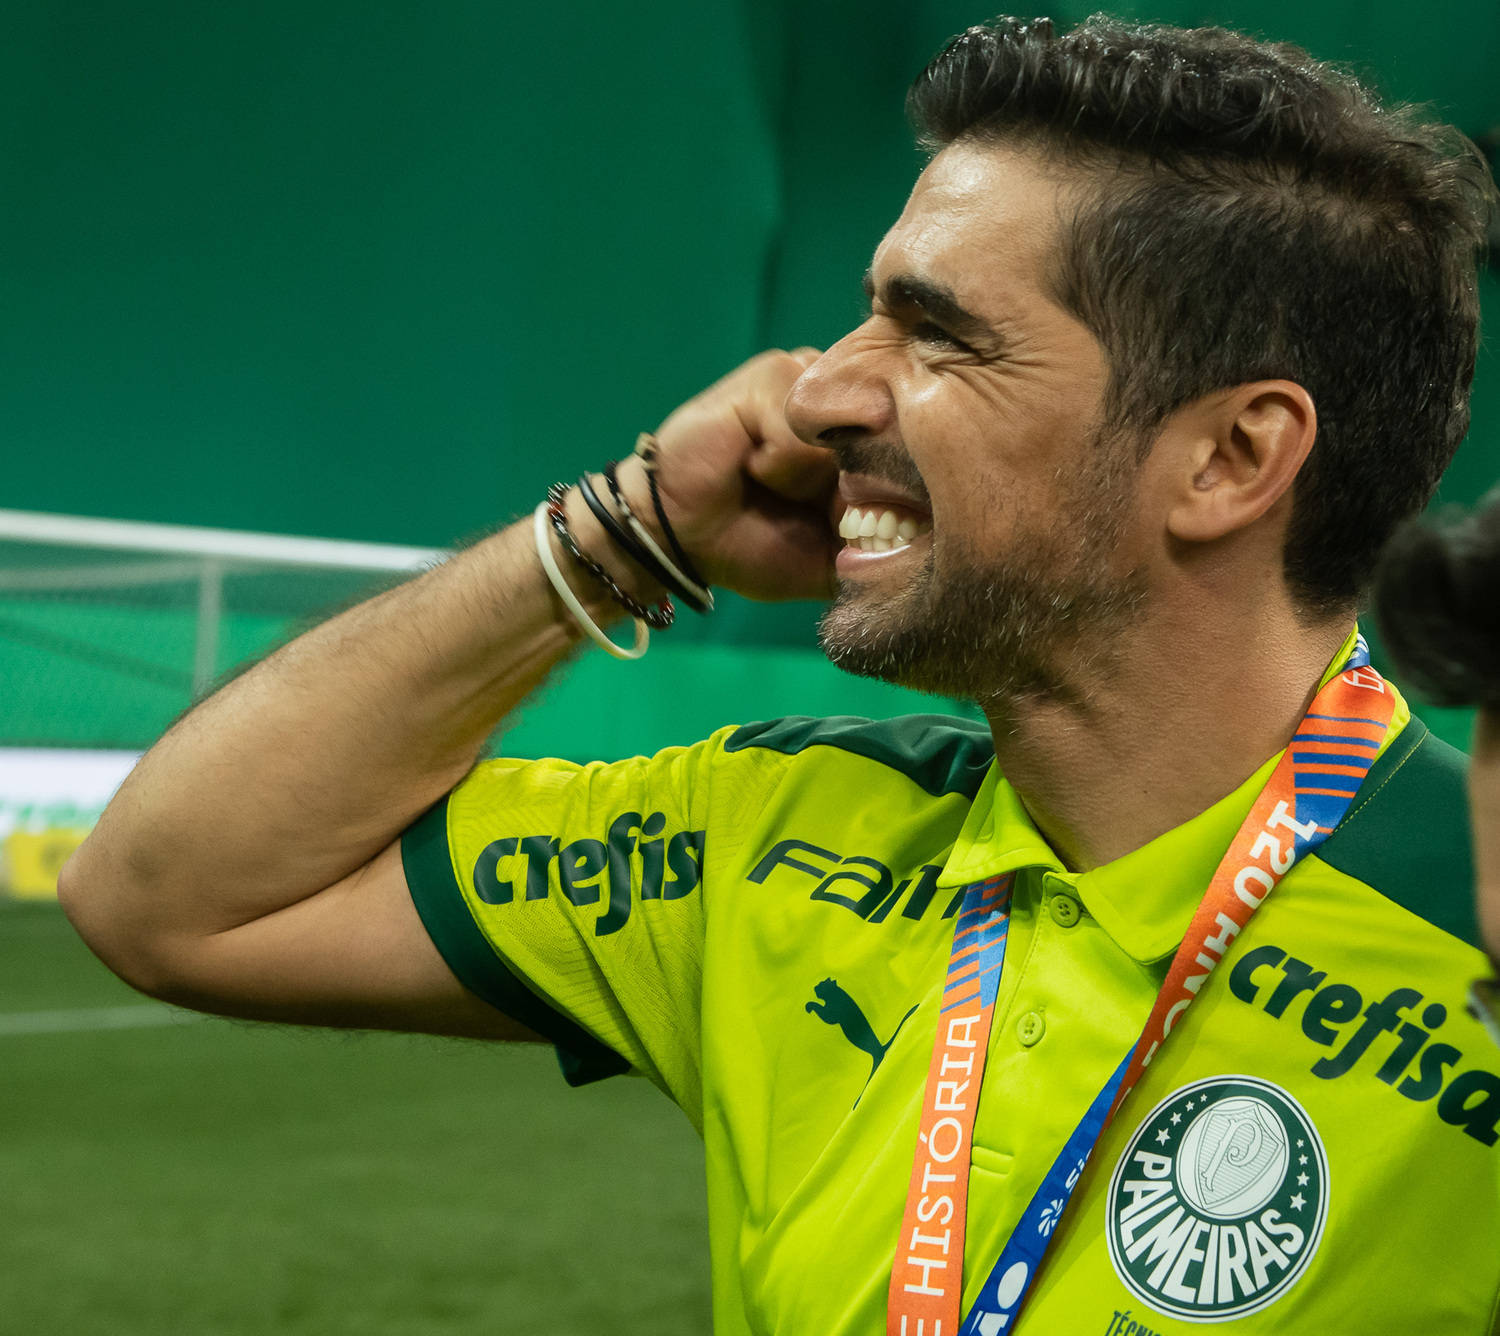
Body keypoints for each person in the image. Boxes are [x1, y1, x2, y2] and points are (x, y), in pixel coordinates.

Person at [59, 14, 1500, 1335]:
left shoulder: (1472, 926)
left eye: (941, 335)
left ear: (1230, 458)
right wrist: (624, 532)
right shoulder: (771, 837)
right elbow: (166, 897)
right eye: (867, 312)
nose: (819, 391)